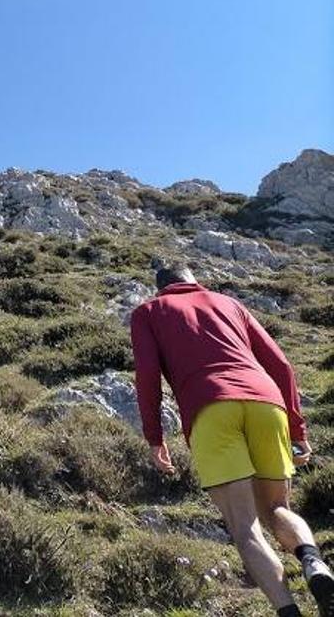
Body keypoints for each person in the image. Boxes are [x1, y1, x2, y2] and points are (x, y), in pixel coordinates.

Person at [131, 263, 333, 617]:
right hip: (267, 403)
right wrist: (298, 430)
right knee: (278, 509)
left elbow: (147, 375)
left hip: (211, 408)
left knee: (245, 526)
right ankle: (313, 562)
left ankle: (288, 611)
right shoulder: (229, 303)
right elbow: (282, 365)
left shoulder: (148, 311)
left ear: (161, 288)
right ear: (195, 282)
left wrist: (154, 437)